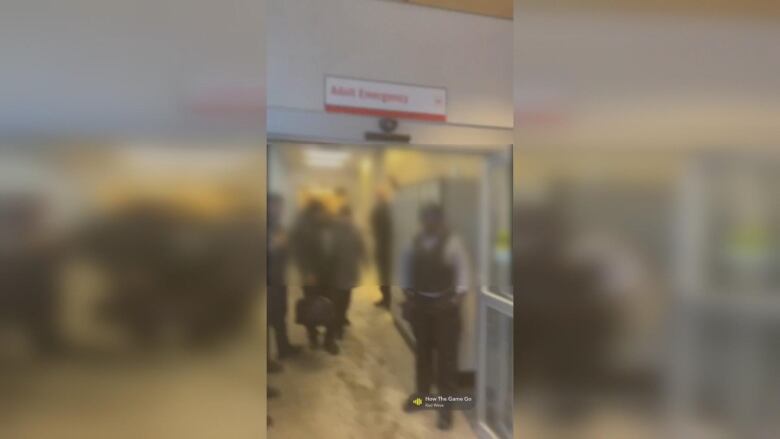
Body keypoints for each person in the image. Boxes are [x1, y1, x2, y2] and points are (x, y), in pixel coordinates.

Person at [401, 203, 470, 431]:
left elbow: (463, 276)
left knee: (446, 360)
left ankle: (445, 408)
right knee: (422, 354)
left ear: (440, 220)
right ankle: (422, 397)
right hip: (421, 305)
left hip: (444, 308)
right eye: (425, 219)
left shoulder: (453, 243)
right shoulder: (415, 242)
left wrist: (453, 303)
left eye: (433, 219)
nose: (428, 223)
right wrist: (408, 294)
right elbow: (407, 270)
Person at [290, 200, 340, 355]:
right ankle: (312, 335)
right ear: (313, 213)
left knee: (332, 306)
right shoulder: (302, 228)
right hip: (311, 276)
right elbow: (298, 253)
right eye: (320, 213)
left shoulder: (330, 227)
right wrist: (308, 272)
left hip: (330, 274)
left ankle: (329, 340)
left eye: (324, 212)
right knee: (310, 306)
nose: (323, 215)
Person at [267, 194, 301, 361]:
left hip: (279, 279)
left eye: (281, 207)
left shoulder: (278, 226)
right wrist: (273, 246)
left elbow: (286, 251)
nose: (280, 210)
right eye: (277, 206)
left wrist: (286, 246)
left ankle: (284, 348)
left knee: (281, 315)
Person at [331, 205, 366, 339]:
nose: (347, 220)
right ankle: (337, 327)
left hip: (350, 271)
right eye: (344, 217)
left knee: (347, 297)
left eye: (349, 217)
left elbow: (361, 247)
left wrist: (363, 261)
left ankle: (343, 317)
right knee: (337, 300)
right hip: (337, 273)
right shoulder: (334, 232)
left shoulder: (355, 231)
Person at [371, 186, 393, 309]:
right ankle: (386, 298)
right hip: (385, 247)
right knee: (384, 275)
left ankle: (386, 299)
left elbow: (377, 227)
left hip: (383, 247)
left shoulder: (381, 209)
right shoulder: (387, 208)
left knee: (384, 275)